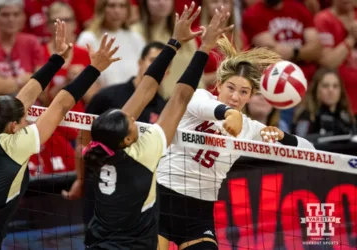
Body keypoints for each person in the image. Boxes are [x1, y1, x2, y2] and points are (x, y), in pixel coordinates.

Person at [81, 3, 238, 249]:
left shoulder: (99, 150)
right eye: (130, 122)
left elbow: (144, 89)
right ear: (126, 141)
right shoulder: (144, 154)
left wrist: (174, 42)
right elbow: (180, 97)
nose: (132, 118)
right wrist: (203, 48)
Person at [0, 19, 120, 250]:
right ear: (14, 127)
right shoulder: (14, 145)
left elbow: (25, 95)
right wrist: (94, 69)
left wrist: (57, 58)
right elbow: (62, 104)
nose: (28, 120)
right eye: (24, 119)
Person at [156, 33, 316, 250]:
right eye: (231, 88)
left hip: (199, 212)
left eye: (243, 92)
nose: (235, 97)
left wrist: (281, 136)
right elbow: (208, 108)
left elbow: (311, 151)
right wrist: (230, 114)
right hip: (162, 197)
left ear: (250, 96)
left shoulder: (250, 129)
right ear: (219, 85)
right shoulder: (200, 98)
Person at [61, 41, 168, 226]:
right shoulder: (108, 96)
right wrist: (80, 179)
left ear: (167, 73)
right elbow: (83, 140)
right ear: (140, 62)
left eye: (162, 64)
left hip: (137, 191)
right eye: (152, 60)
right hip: (101, 186)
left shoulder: (163, 107)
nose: (156, 67)